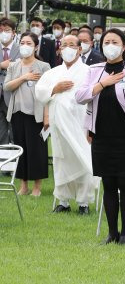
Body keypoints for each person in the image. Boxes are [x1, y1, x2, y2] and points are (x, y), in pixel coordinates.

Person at [75, 28, 125, 245]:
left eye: (115, 41)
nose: (110, 45)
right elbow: (80, 96)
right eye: (106, 41)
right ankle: (112, 233)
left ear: (124, 47)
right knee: (108, 184)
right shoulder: (94, 70)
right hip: (101, 137)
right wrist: (102, 84)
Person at [35, 34, 96, 214]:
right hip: (59, 125)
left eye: (72, 45)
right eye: (65, 45)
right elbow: (40, 92)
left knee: (82, 158)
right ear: (60, 50)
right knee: (61, 161)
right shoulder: (53, 73)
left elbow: (94, 96)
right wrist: (55, 89)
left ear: (79, 49)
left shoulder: (88, 71)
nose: (68, 48)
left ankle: (83, 203)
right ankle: (63, 201)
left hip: (80, 124)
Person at [4, 32, 51, 196]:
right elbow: (7, 86)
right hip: (17, 113)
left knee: (37, 150)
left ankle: (37, 187)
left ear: (36, 46)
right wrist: (24, 77)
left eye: (29, 43)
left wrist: (47, 116)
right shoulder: (13, 65)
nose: (25, 45)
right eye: (22, 42)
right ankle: (23, 185)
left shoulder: (44, 67)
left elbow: (48, 93)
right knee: (21, 149)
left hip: (36, 115)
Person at [0, 18, 21, 144]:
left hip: (15, 95)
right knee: (1, 134)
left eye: (7, 30)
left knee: (15, 132)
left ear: (13, 32)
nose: (3, 33)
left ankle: (17, 161)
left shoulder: (21, 48)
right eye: (1, 30)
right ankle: (2, 161)